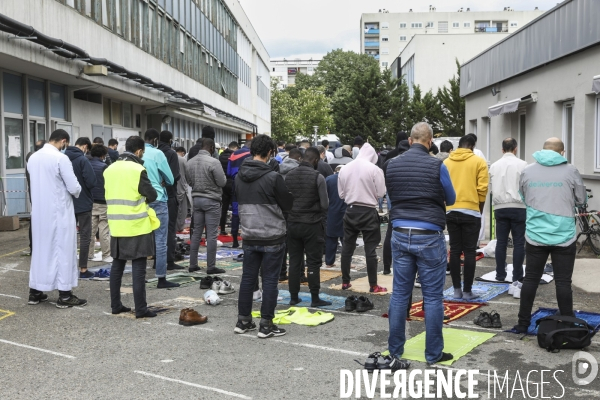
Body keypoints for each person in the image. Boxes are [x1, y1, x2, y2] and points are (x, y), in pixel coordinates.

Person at [386, 121, 456, 368]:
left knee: (400, 295)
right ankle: (433, 354)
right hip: (429, 233)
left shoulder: (391, 164)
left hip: (400, 232)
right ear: (429, 141)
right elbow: (451, 198)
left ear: (411, 140)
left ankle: (395, 351)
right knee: (433, 297)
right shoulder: (437, 164)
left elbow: (392, 196)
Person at [513, 138, 587, 333]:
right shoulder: (571, 170)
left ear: (542, 150)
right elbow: (581, 199)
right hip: (564, 235)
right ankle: (568, 323)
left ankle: (522, 324)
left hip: (536, 233)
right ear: (562, 153)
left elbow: (523, 196)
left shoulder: (527, 171)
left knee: (530, 279)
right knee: (563, 281)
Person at [234, 134, 294, 338]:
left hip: (249, 233)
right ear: (270, 153)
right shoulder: (273, 177)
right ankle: (266, 324)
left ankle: (243, 321)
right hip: (272, 234)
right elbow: (287, 204)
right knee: (269, 280)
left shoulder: (239, 176)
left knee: (248, 279)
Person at [27, 129, 86, 308]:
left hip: (38, 213)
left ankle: (35, 292)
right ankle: (65, 296)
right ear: (63, 141)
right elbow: (74, 187)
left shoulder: (33, 158)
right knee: (62, 252)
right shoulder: (61, 158)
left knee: (40, 252)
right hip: (59, 212)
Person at [105, 135, 159, 319]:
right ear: (138, 151)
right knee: (138, 268)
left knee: (117, 266)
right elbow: (151, 195)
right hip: (136, 225)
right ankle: (141, 309)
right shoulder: (137, 169)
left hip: (116, 224)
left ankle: (115, 305)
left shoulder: (109, 169)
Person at [444, 134, 489, 300]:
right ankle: (468, 291)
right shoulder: (478, 162)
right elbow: (482, 189)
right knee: (469, 252)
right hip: (471, 210)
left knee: (455, 250)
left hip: (451, 209)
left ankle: (456, 289)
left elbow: (442, 186)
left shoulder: (447, 162)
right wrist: (479, 210)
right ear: (472, 146)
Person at [338, 142, 387, 292]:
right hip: (368, 211)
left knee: (347, 247)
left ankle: (345, 282)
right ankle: (373, 285)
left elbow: (341, 194)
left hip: (350, 210)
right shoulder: (374, 169)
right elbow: (381, 193)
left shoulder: (345, 169)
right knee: (370, 250)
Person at [286, 147, 330, 307]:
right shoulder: (318, 177)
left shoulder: (289, 176)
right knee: (313, 262)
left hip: (293, 223)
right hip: (312, 224)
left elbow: (285, 201)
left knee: (294, 261)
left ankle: (293, 296)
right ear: (316, 160)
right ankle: (315, 298)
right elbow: (325, 204)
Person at [142, 129, 178, 288]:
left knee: (142, 238)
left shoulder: (136, 153)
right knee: (161, 239)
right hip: (158, 198)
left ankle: (140, 275)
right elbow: (170, 178)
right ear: (156, 140)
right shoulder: (158, 154)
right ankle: (161, 278)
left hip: (140, 199)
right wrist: (162, 181)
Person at [489, 138, 528, 284]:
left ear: (502, 149)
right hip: (519, 206)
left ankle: (500, 274)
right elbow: (526, 186)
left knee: (501, 242)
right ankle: (517, 276)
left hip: (500, 207)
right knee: (519, 242)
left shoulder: (494, 166)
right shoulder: (523, 165)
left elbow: (491, 187)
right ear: (516, 148)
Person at [186, 138, 227, 274]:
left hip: (196, 200)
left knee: (196, 232)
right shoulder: (214, 162)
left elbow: (189, 181)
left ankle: (193, 264)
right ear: (211, 148)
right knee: (211, 234)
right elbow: (222, 182)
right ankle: (211, 266)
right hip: (212, 200)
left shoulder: (190, 162)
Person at [64, 137, 98, 278]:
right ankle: (83, 269)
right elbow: (91, 182)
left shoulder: (62, 158)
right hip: (83, 203)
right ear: (85, 146)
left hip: (66, 203)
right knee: (85, 236)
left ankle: (67, 268)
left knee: (67, 236)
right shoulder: (82, 160)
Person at [382, 139, 411, 274]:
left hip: (392, 196)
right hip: (408, 199)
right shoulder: (410, 161)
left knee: (390, 232)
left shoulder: (389, 162)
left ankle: (387, 267)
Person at [157, 130, 182, 271]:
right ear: (170, 140)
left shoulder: (153, 153)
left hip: (154, 195)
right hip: (169, 195)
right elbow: (175, 176)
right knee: (170, 228)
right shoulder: (171, 154)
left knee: (156, 229)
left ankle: (157, 259)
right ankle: (169, 260)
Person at [88, 144, 111, 262]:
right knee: (104, 229)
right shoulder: (105, 166)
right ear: (103, 155)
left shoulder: (87, 165)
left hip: (90, 202)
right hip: (103, 201)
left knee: (90, 230)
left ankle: (89, 254)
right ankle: (106, 255)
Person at [227, 139, 252, 248]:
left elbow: (228, 172)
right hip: (249, 185)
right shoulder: (252, 154)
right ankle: (247, 240)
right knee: (249, 211)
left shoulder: (234, 154)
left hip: (236, 184)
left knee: (236, 213)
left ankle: (234, 240)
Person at [466, 133, 488, 244]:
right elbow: (485, 171)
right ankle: (477, 241)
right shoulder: (478, 153)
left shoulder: (456, 155)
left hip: (464, 191)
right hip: (476, 190)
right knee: (478, 217)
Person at [25, 140, 46, 254]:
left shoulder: (31, 159)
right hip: (40, 195)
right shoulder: (37, 160)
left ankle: (33, 246)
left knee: (35, 219)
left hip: (34, 194)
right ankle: (36, 246)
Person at [325, 165, 347, 268]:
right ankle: (347, 261)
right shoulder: (348, 179)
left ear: (335, 171)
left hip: (332, 212)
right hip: (346, 212)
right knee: (347, 239)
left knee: (331, 238)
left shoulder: (329, 179)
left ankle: (329, 261)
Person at [219, 141, 238, 235]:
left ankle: (222, 229)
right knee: (234, 207)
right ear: (235, 148)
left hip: (223, 183)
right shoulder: (234, 157)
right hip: (232, 182)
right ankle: (234, 230)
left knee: (224, 207)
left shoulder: (220, 156)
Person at [174, 147, 190, 232]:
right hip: (182, 187)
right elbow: (188, 174)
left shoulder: (168, 157)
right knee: (182, 210)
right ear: (183, 153)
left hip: (172, 188)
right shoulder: (182, 160)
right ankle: (180, 227)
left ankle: (175, 227)